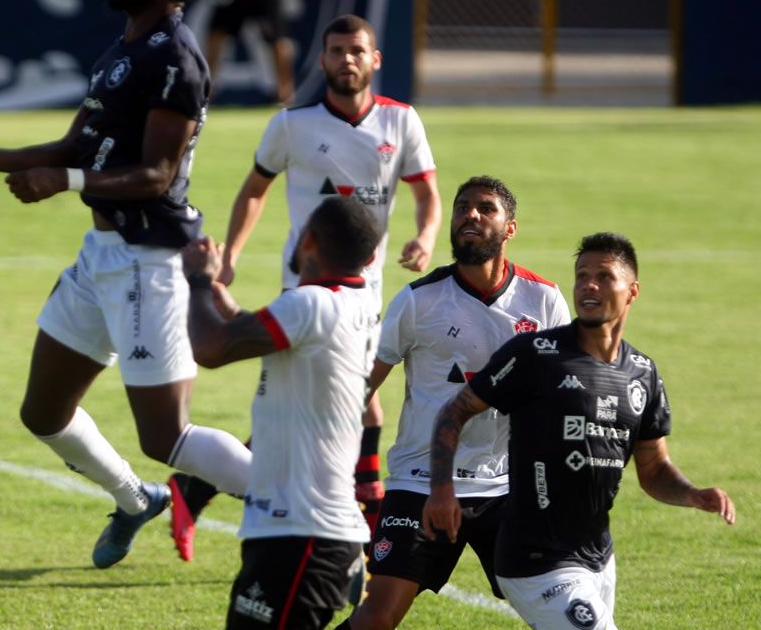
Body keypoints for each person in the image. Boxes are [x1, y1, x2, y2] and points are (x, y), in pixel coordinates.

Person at [0, 0, 253, 569]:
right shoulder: (120, 52)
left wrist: (64, 180)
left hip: (149, 261)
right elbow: (75, 145)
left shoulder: (177, 59)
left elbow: (156, 174)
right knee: (43, 413)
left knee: (166, 436)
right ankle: (135, 501)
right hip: (101, 257)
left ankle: (323, 521)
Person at [169, 13, 441, 562]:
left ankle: (195, 490)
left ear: (375, 59)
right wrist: (232, 258)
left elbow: (427, 193)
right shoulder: (291, 125)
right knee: (354, 403)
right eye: (337, 50)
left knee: (334, 406)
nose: (347, 60)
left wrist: (426, 237)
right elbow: (252, 192)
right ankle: (368, 529)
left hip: (367, 287)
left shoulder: (401, 122)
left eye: (357, 50)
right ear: (321, 59)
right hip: (311, 287)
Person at [420, 232, 735, 629]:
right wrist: (442, 490)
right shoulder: (535, 355)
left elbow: (653, 471)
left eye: (604, 276)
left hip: (599, 559)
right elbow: (454, 413)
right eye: (582, 274)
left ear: (632, 291)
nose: (589, 284)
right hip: (535, 562)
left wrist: (692, 493)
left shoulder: (642, 373)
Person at [336, 176, 570, 629]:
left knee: (560, 613)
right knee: (377, 618)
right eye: (463, 207)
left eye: (486, 208)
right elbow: (361, 385)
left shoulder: (543, 300)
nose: (472, 215)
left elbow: (561, 395)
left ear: (511, 228)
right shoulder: (418, 300)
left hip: (506, 487)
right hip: (420, 481)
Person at [183, 197, 382, 630]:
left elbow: (211, 349)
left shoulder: (309, 304)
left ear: (307, 239)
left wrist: (198, 280)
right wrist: (232, 310)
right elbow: (288, 344)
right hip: (303, 532)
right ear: (369, 257)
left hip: (302, 537)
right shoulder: (355, 302)